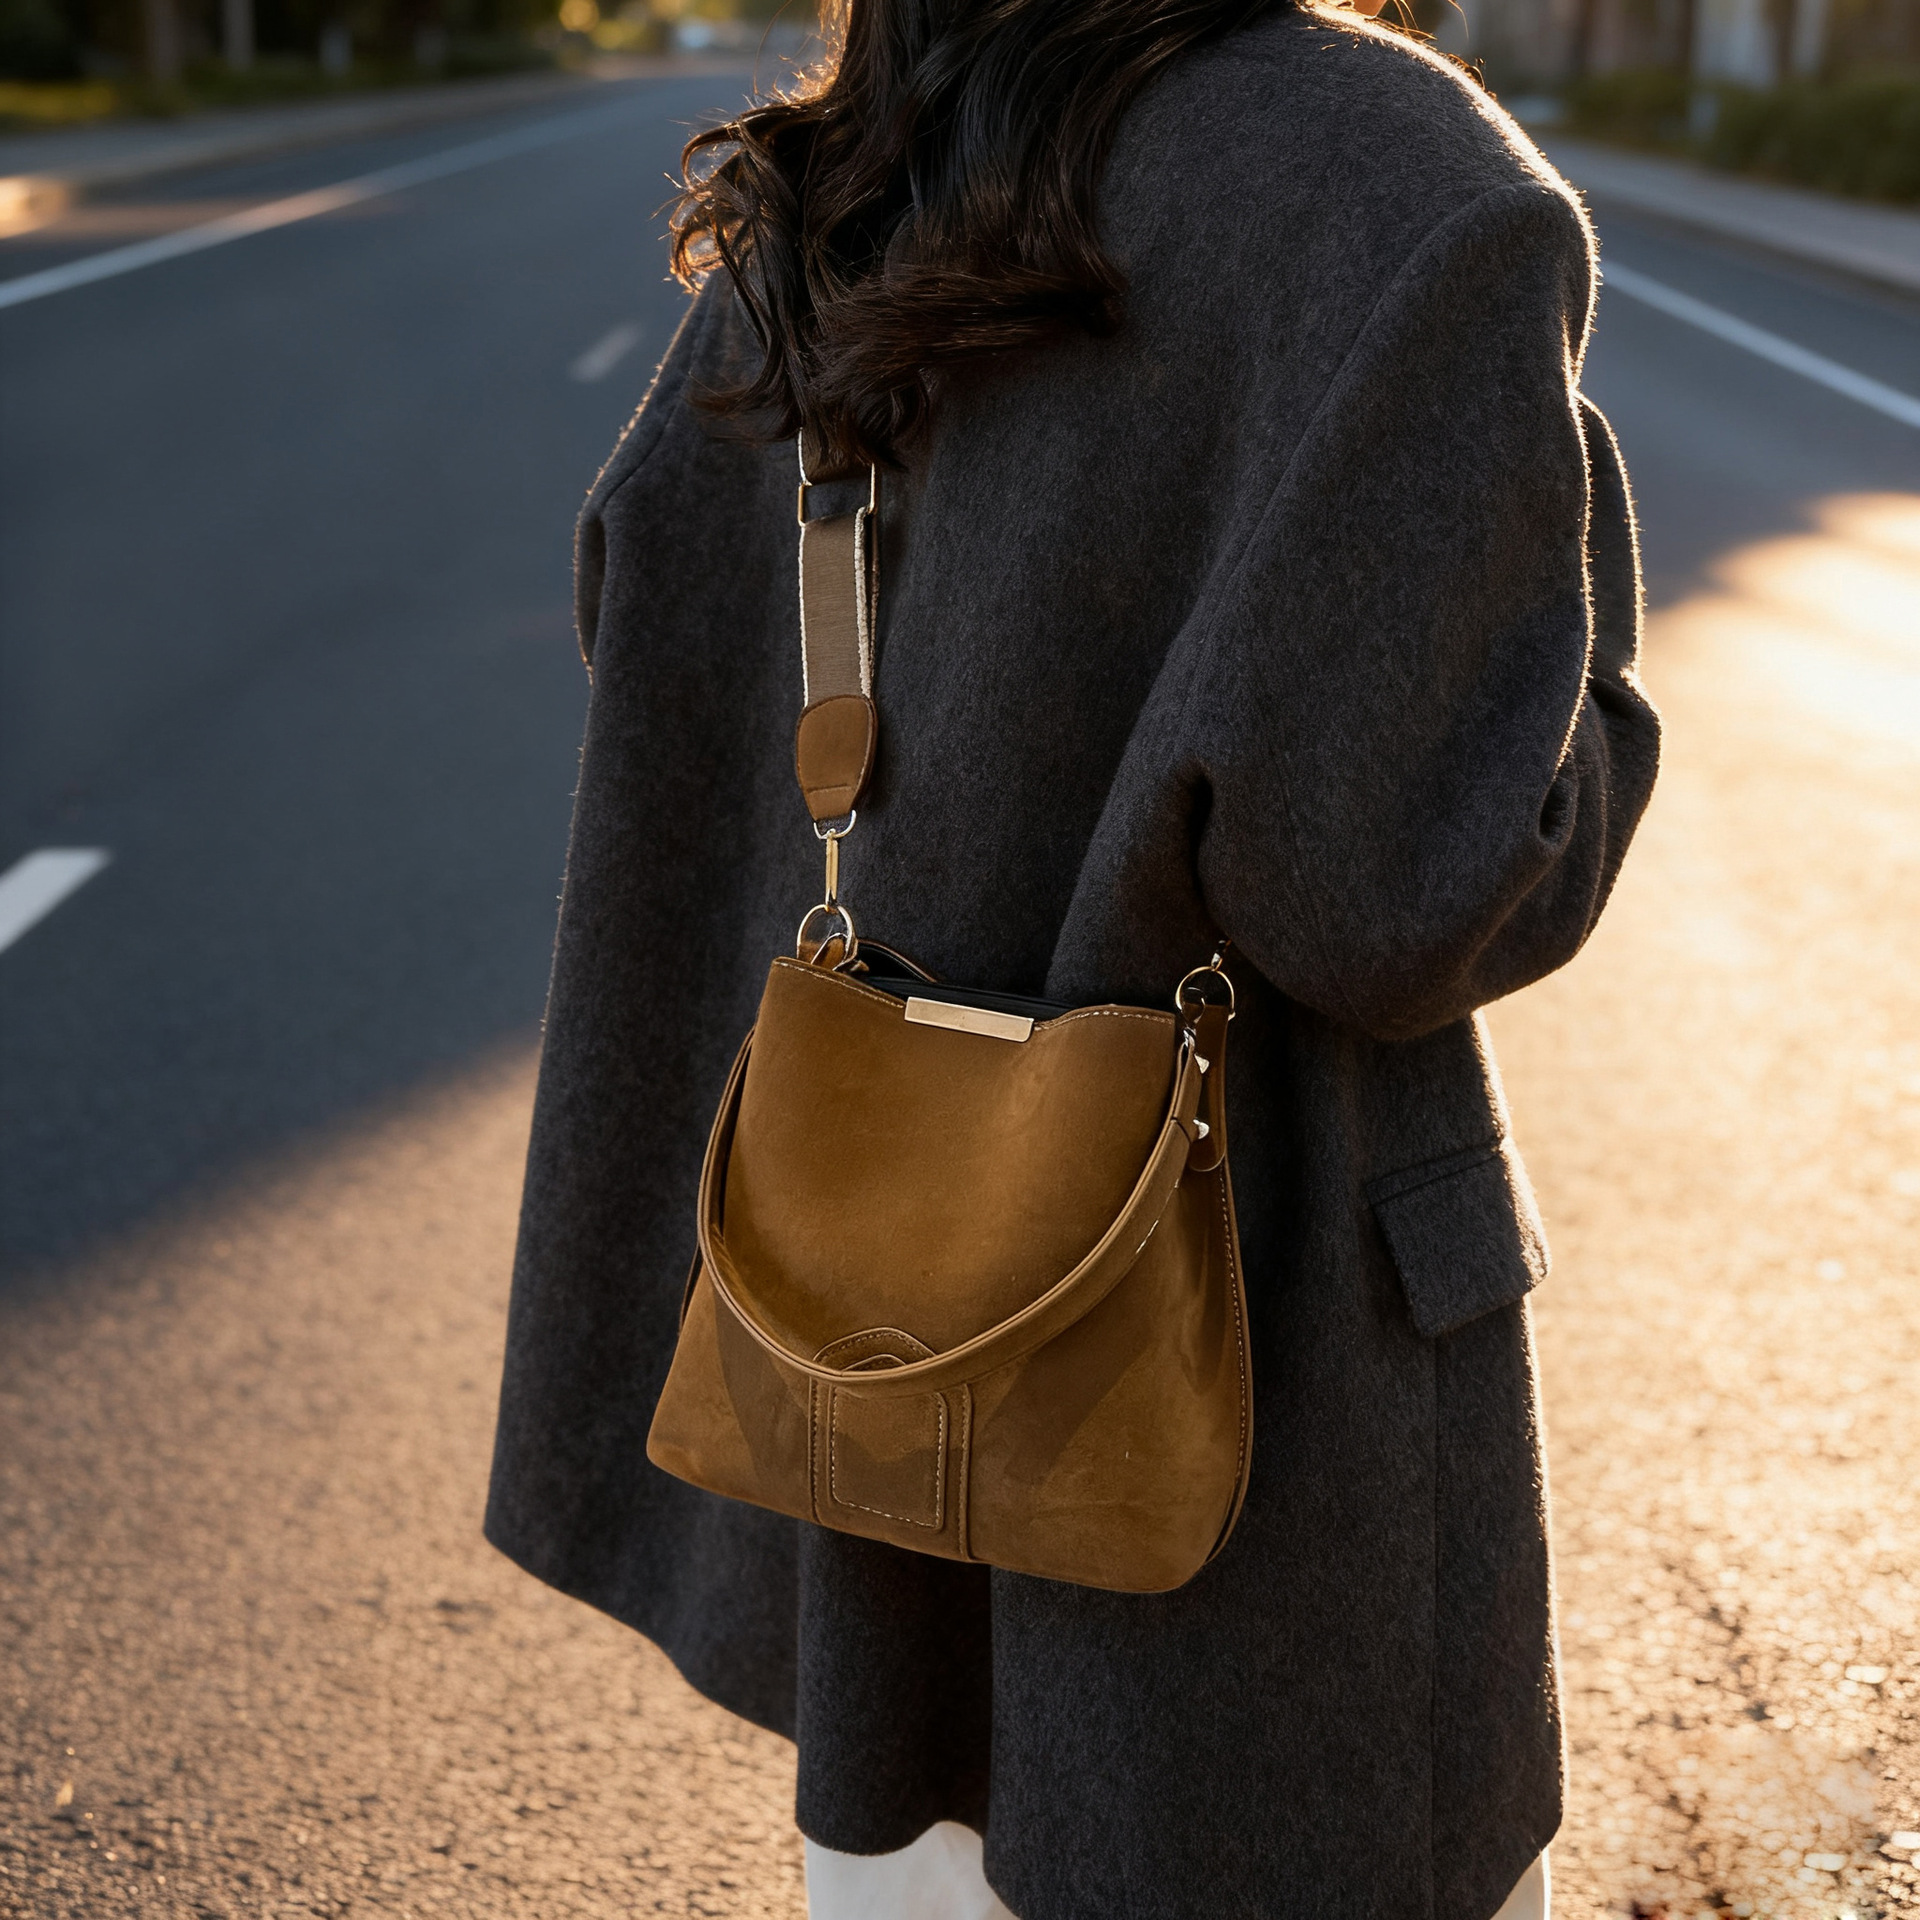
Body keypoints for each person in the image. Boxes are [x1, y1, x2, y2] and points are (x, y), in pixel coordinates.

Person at [483, 0, 1661, 1909]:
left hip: (868, 1366)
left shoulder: (858, 156)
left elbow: (659, 609)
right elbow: (1412, 885)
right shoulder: (1398, 178)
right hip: (1259, 1471)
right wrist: (1570, 583)